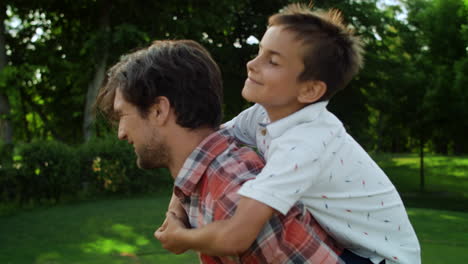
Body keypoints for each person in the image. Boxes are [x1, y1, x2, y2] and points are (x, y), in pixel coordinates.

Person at [155, 4, 421, 264]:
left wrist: (183, 237)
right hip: (345, 243)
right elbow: (203, 148)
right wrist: (174, 211)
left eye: (272, 61)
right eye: (259, 52)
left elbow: (237, 236)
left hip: (377, 258)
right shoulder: (262, 114)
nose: (251, 64)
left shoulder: (304, 144)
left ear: (309, 91)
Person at [96, 39, 348, 263]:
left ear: (159, 110)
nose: (121, 132)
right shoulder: (209, 180)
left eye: (122, 115)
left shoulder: (229, 194)